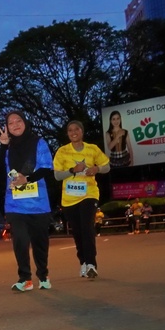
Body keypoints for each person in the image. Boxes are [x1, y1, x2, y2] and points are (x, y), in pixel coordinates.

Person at [0, 110, 55, 291]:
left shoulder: (38, 142)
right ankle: (25, 278)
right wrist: (3, 146)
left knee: (40, 243)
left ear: (25, 122)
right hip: (15, 203)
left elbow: (46, 168)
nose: (15, 125)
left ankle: (43, 275)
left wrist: (26, 179)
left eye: (18, 120)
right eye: (10, 123)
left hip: (38, 203)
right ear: (7, 127)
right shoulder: (7, 147)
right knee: (20, 240)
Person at [53, 119, 110, 279]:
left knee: (87, 227)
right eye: (70, 130)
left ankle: (91, 264)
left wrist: (97, 168)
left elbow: (107, 166)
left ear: (82, 131)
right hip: (69, 198)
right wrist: (72, 170)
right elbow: (57, 175)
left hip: (89, 194)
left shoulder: (92, 149)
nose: (73, 132)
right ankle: (83, 262)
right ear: (67, 134)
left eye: (76, 129)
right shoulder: (62, 151)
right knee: (78, 232)